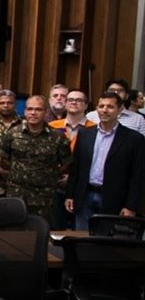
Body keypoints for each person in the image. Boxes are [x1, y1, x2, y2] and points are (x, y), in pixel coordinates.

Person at [66, 92, 145, 229]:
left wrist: (131, 206)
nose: (104, 110)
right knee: (81, 238)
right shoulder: (85, 134)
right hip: (85, 196)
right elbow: (76, 168)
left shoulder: (134, 139)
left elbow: (138, 176)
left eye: (110, 107)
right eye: (101, 106)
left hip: (114, 200)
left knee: (106, 240)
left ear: (120, 110)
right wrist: (70, 195)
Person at [0, 95, 71, 222]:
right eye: (30, 109)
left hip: (44, 196)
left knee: (40, 230)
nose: (33, 113)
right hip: (16, 193)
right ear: (25, 111)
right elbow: (4, 160)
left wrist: (47, 174)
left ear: (46, 112)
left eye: (38, 109)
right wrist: (18, 173)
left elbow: (66, 164)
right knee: (14, 229)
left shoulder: (58, 137)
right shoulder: (13, 133)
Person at [48, 89, 96, 229]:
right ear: (65, 103)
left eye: (79, 100)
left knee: (79, 229)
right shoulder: (52, 126)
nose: (74, 102)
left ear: (86, 105)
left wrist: (72, 177)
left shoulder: (95, 129)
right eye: (70, 99)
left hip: (81, 187)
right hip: (54, 184)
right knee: (55, 227)